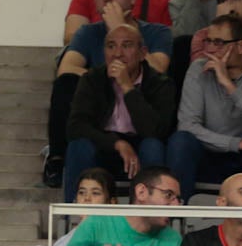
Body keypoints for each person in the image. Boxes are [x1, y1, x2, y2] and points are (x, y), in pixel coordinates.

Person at [166, 12, 242, 202]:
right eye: (208, 41)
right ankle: (176, 214)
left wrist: (229, 86)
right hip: (208, 152)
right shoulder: (198, 69)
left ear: (241, 46)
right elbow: (187, 125)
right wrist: (236, 143)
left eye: (218, 43)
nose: (210, 49)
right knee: (180, 141)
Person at [60, 20, 175, 201]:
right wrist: (117, 143)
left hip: (141, 147)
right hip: (104, 145)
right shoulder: (92, 79)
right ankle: (74, 213)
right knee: (79, 146)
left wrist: (127, 87)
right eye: (111, 46)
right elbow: (76, 126)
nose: (117, 53)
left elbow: (157, 131)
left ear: (142, 53)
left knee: (153, 146)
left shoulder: (160, 83)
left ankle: (152, 212)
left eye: (126, 46)